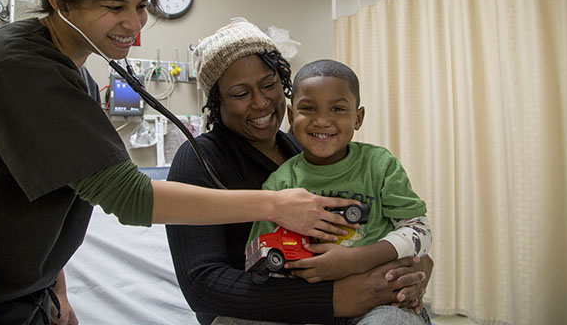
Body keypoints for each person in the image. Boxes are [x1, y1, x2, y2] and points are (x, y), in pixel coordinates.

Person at [0, 0, 359, 324]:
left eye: (141, 5)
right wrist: (277, 207)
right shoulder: (19, 67)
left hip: (31, 294)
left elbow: (51, 191)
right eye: (115, 7)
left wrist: (55, 289)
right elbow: (128, 197)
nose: (134, 24)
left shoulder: (76, 77)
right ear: (59, 2)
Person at [166, 20, 433, 325]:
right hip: (257, 309)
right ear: (217, 101)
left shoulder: (311, 148)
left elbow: (407, 229)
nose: (261, 102)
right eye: (240, 93)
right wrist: (337, 297)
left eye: (269, 85)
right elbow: (202, 285)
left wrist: (416, 267)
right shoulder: (200, 159)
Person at [246, 59, 433, 324]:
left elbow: (420, 231)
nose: (322, 121)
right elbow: (261, 256)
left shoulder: (379, 166)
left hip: (384, 305)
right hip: (312, 306)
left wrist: (356, 260)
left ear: (358, 118)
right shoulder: (280, 184)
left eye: (337, 109)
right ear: (290, 116)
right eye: (308, 108)